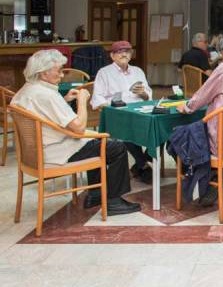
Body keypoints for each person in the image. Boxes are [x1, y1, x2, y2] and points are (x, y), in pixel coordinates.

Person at [11, 49, 141, 215]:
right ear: (43, 73)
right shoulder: (47, 95)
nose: (62, 75)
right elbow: (79, 128)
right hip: (56, 153)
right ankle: (114, 201)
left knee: (97, 144)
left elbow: (44, 114)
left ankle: (95, 195)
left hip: (35, 153)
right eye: (59, 71)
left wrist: (64, 100)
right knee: (116, 148)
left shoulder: (26, 90)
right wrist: (81, 102)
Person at [91, 40, 154, 183]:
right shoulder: (104, 73)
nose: (124, 54)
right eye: (119, 52)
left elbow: (148, 96)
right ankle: (143, 165)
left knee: (158, 127)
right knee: (125, 130)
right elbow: (97, 99)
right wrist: (113, 105)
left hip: (140, 112)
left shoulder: (138, 71)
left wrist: (143, 93)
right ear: (112, 56)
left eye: (127, 51)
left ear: (131, 54)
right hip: (118, 115)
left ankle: (142, 163)